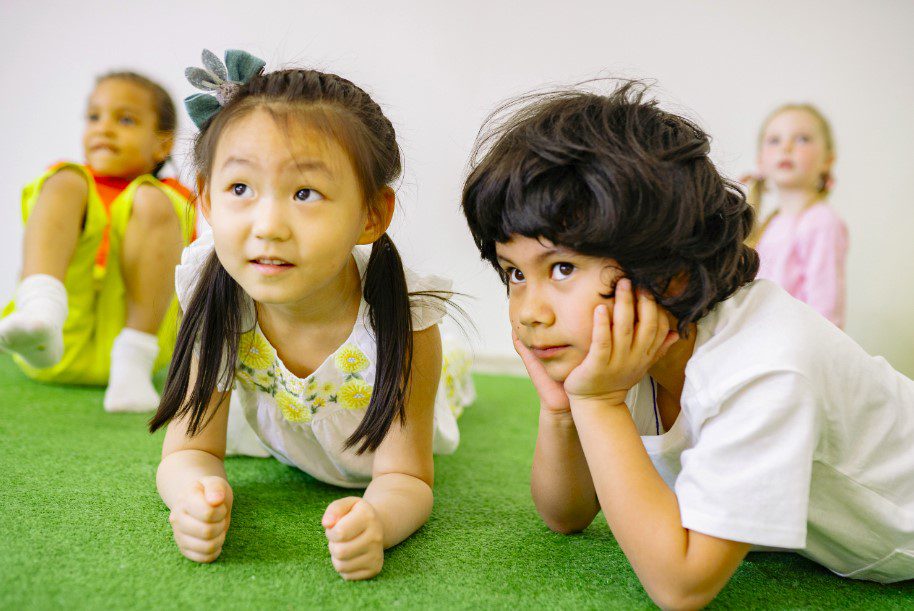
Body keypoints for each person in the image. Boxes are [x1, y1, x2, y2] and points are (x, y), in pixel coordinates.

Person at [461, 81, 914, 608]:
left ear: (669, 272)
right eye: (515, 273)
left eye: (562, 268)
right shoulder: (633, 347)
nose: (529, 311)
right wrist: (564, 412)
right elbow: (566, 514)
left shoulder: (765, 369)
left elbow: (682, 585)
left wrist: (599, 405)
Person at [150, 50, 473, 580]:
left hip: (389, 404)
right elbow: (186, 450)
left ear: (372, 214)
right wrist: (192, 496)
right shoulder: (214, 293)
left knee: (453, 380)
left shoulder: (405, 320)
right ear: (205, 199)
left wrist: (378, 520)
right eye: (240, 189)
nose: (268, 225)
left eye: (305, 193)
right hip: (288, 432)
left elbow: (407, 479)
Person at [0, 71, 196, 412]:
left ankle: (132, 358)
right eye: (94, 116)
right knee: (62, 179)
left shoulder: (172, 200)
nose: (103, 128)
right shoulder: (71, 185)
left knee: (155, 200)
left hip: (138, 348)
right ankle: (40, 308)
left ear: (163, 144)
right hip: (58, 336)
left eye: (125, 119)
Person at [745, 104, 848, 327]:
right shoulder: (768, 225)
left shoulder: (821, 221)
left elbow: (826, 309)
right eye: (774, 140)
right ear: (761, 161)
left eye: (802, 139)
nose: (786, 147)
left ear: (828, 160)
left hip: (796, 350)